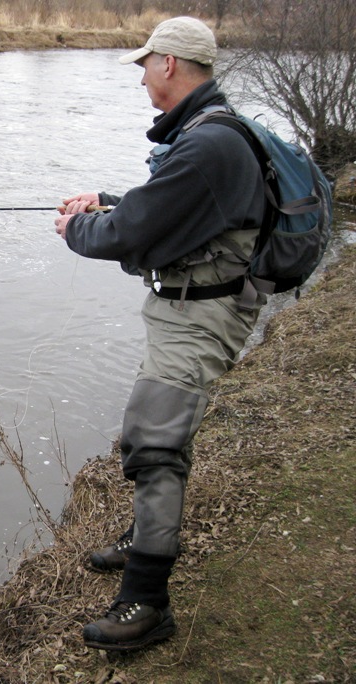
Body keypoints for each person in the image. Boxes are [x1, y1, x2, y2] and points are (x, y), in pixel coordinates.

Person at [53, 16, 267, 652]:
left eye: (146, 65)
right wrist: (107, 198)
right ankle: (146, 536)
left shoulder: (208, 143)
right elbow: (177, 208)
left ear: (169, 63)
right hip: (192, 308)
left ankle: (146, 603)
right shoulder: (211, 131)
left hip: (202, 316)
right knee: (159, 437)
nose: (142, 78)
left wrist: (77, 228)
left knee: (153, 444)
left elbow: (133, 233)